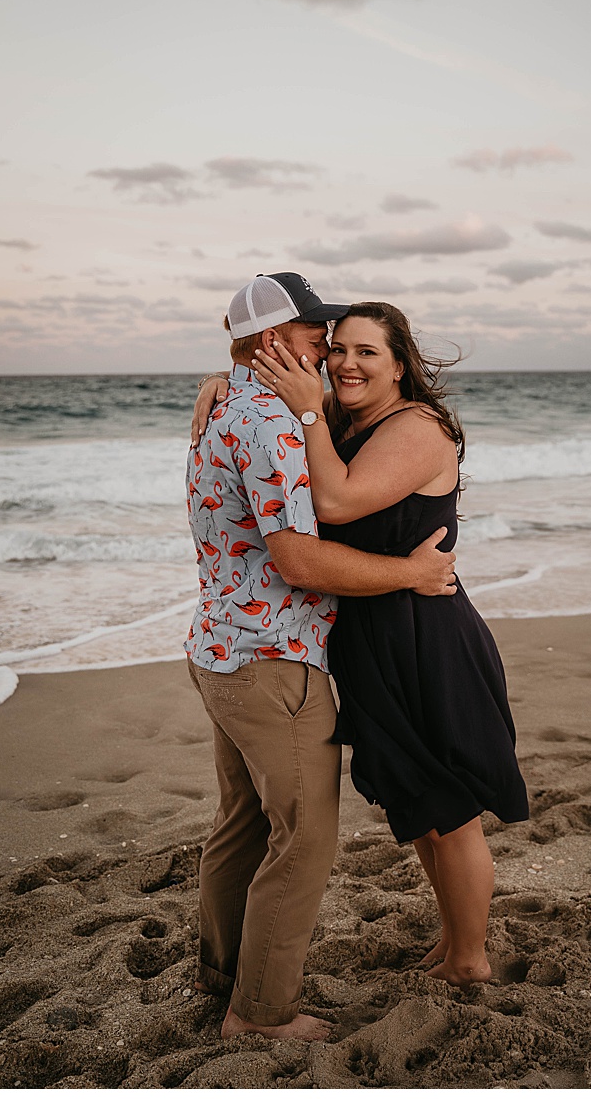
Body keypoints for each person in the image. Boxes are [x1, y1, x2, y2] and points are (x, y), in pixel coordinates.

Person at [186, 273, 459, 1041]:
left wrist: (224, 376)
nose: (330, 351)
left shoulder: (229, 405)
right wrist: (413, 572)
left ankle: (222, 975)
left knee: (242, 822)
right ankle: (262, 1014)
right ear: (274, 342)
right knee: (303, 838)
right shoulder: (270, 421)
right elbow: (299, 561)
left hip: (218, 649)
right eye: (317, 337)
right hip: (274, 661)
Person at [251, 299, 529, 988]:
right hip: (371, 635)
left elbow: (337, 504)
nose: (346, 362)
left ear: (400, 365)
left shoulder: (417, 426)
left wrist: (311, 410)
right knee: (419, 805)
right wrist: (219, 386)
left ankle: (470, 959)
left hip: (426, 634)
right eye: (337, 348)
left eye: (367, 352)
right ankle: (452, 936)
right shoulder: (351, 422)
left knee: (453, 809)